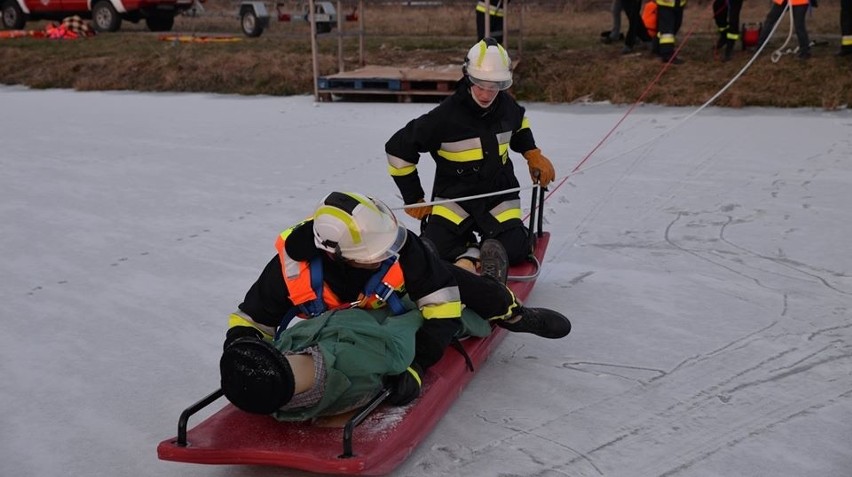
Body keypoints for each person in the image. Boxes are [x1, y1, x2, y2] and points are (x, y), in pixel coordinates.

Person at [219, 191, 571, 418]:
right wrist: (243, 355)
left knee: (466, 289)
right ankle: (471, 259)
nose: (387, 254)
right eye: (376, 254)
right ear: (335, 255)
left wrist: (416, 366)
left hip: (406, 296)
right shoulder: (291, 270)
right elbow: (251, 320)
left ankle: (506, 304)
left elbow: (442, 312)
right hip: (354, 322)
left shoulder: (399, 247)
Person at [385, 38, 556, 272]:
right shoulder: (443, 117)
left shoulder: (507, 106)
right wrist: (413, 197)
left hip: (499, 196)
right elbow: (397, 149)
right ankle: (474, 254)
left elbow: (520, 126)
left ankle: (487, 252)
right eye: (480, 84)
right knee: (435, 251)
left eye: (494, 86)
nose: (486, 94)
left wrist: (532, 153)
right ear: (467, 76)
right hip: (456, 198)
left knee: (515, 249)